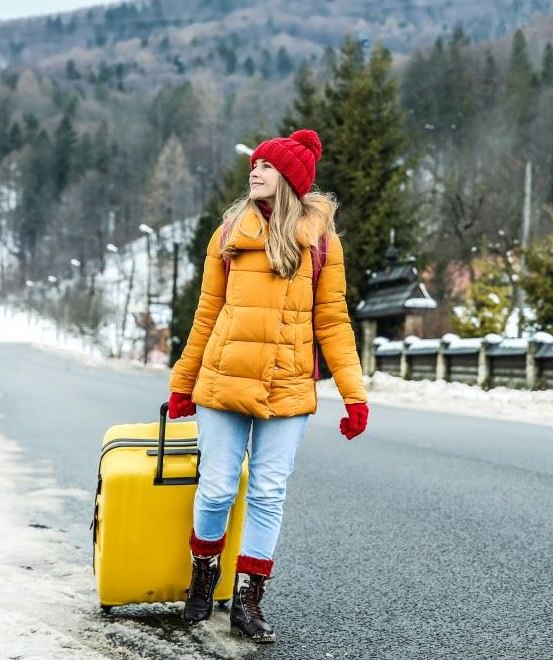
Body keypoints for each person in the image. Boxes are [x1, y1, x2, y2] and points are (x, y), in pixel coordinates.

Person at [166, 129, 369, 642]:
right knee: (215, 490)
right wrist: (182, 382)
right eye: (253, 164)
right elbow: (206, 313)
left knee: (267, 493)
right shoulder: (229, 234)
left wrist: (354, 393)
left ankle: (248, 602)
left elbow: (334, 323)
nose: (254, 171)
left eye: (266, 166)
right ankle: (202, 579)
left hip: (288, 387)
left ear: (290, 180)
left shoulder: (322, 243)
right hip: (222, 382)